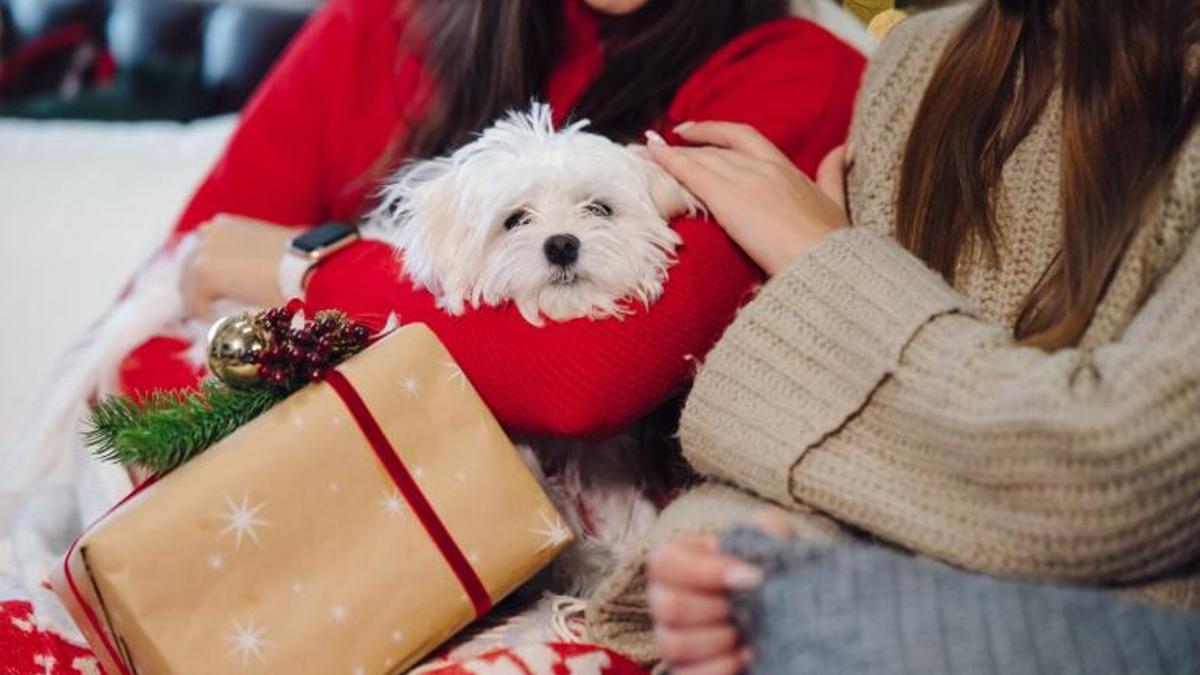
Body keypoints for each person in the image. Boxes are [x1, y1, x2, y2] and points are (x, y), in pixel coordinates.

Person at [577, 0, 1200, 672]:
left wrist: (827, 259)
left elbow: (1116, 481)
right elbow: (853, 448)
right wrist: (734, 558)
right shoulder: (921, 57)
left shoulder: (800, 65)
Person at [115, 0, 866, 440]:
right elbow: (159, 329)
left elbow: (579, 375)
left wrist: (305, 268)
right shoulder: (378, 27)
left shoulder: (794, 76)